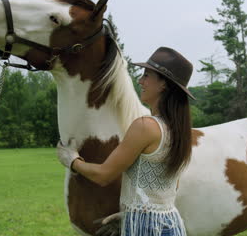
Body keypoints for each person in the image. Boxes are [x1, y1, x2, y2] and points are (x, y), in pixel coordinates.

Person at [57, 47, 195, 236]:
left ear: (163, 84)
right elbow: (171, 185)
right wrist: (132, 211)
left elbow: (103, 175)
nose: (141, 81)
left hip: (145, 228)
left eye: (147, 76)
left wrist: (72, 161)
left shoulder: (145, 126)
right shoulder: (179, 131)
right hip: (170, 222)